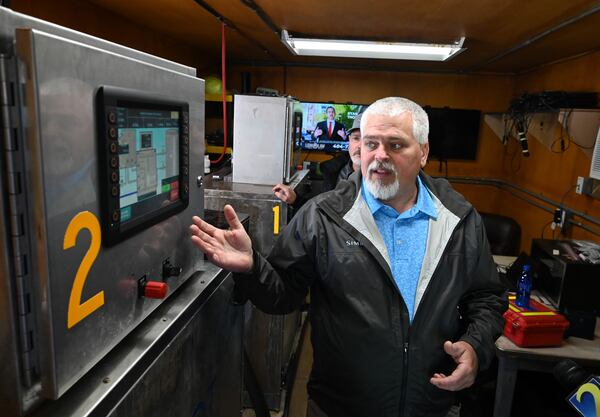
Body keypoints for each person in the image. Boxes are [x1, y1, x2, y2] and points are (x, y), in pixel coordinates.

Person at [190, 97, 507, 417]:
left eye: (396, 145)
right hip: (339, 406)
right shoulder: (322, 216)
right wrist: (253, 267)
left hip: (431, 404)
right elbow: (284, 294)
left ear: (423, 152)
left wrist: (475, 347)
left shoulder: (458, 219)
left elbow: (486, 298)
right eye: (371, 143)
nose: (380, 155)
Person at [273, 113, 363, 206]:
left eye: (368, 140)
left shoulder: (377, 182)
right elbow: (319, 210)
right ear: (349, 141)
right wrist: (295, 199)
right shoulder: (333, 170)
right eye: (356, 138)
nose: (359, 146)